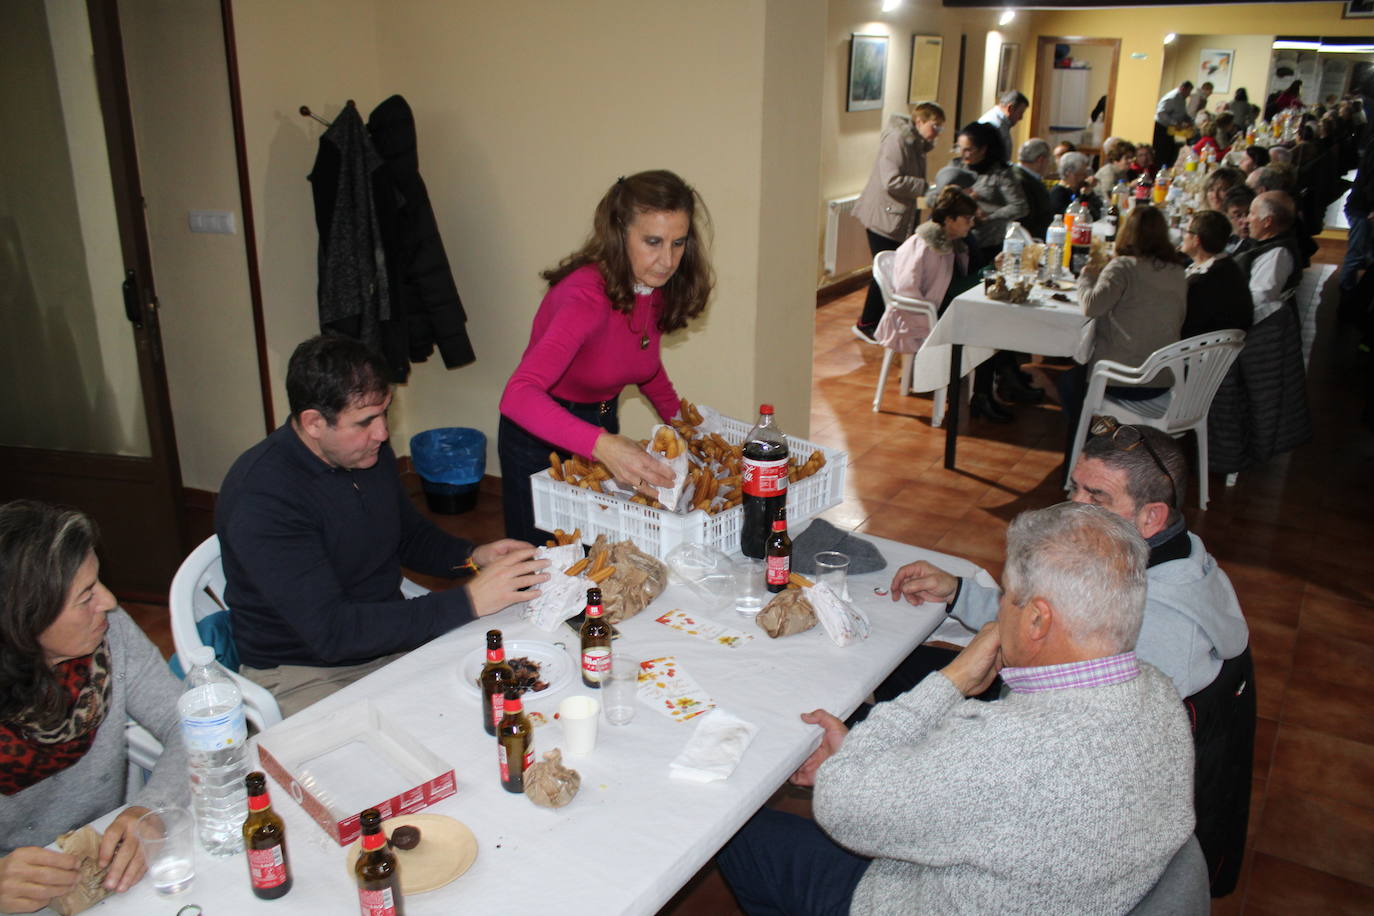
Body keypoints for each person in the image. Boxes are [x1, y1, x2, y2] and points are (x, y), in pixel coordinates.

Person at [718, 502, 1197, 915]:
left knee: (739, 837)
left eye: (1008, 595)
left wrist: (952, 680)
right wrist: (862, 763)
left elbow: (843, 808)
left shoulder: (1012, 749)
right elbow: (961, 792)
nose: (1000, 608)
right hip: (1073, 889)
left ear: (1037, 619)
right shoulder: (1160, 695)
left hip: (916, 900)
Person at [877, 428, 1252, 895]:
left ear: (1151, 516)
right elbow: (1047, 617)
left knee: (914, 692)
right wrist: (959, 592)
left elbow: (1057, 755)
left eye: (1096, 496)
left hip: (1073, 807)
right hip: (1061, 736)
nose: (1074, 507)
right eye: (1074, 487)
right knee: (901, 668)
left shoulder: (1160, 637)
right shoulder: (1168, 555)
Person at [219, 334, 550, 717]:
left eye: (384, 413)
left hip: (386, 639)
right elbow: (333, 633)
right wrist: (470, 600)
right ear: (313, 423)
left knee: (506, 698)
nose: (382, 433)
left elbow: (406, 535)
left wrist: (473, 558)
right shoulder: (263, 498)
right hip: (305, 670)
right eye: (365, 421)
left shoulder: (363, 453)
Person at [498, 169, 714, 542]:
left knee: (599, 555)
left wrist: (688, 431)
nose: (667, 260)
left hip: (600, 423)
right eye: (653, 241)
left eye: (678, 243)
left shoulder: (653, 286)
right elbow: (517, 395)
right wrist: (602, 444)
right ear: (619, 233)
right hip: (541, 438)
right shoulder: (583, 297)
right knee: (544, 563)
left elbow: (645, 367)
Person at [0, 501, 188, 913]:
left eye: (97, 582)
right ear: (23, 621)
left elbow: (187, 722)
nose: (108, 600)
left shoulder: (107, 635)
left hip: (110, 872)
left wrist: (150, 809)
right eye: (85, 595)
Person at [1057, 205, 1188, 453]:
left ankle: (1094, 450)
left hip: (1124, 379)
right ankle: (1113, 438)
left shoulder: (1123, 267)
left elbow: (1091, 307)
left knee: (1070, 383)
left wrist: (1086, 277)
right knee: (1073, 382)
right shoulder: (1177, 271)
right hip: (1163, 378)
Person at [1210, 191, 1313, 473]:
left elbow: (1260, 299)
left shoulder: (1278, 253)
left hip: (1258, 338)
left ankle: (1224, 450)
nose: (1246, 219)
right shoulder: (1265, 244)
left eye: (1252, 214)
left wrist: (1221, 321)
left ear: (1268, 221)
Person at [852, 102, 947, 340]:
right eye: (935, 126)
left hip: (896, 215)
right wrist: (926, 188)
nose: (937, 132)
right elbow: (891, 181)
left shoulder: (917, 145)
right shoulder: (897, 140)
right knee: (885, 269)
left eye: (941, 128)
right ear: (919, 121)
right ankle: (867, 323)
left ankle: (880, 321)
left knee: (894, 267)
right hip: (883, 214)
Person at [877, 187, 978, 360]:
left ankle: (960, 381)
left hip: (938, 312)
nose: (972, 224)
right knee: (981, 331)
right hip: (918, 319)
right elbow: (906, 289)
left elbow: (953, 287)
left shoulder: (955, 245)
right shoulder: (921, 245)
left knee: (986, 327)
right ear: (948, 219)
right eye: (967, 219)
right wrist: (930, 321)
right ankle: (953, 381)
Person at [956, 121, 1028, 262]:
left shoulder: (1001, 173)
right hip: (958, 239)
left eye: (968, 150)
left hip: (988, 241)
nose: (963, 155)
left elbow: (1020, 206)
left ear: (983, 149)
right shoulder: (957, 167)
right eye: (960, 148)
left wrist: (988, 214)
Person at [1180, 210, 1255, 339]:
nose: (1183, 236)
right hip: (1224, 349)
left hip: (1196, 350)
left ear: (1196, 240)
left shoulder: (1201, 282)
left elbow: (1181, 323)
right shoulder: (1229, 266)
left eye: (1186, 231)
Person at [1011, 138, 1053, 239]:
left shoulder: (1011, 174)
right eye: (1048, 160)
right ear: (1041, 160)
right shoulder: (1026, 182)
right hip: (1029, 242)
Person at [977, 90, 1028, 165]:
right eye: (1020, 113)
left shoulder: (1000, 122)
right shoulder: (994, 125)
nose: (1021, 118)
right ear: (1010, 108)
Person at [1048, 150, 1102, 220]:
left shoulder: (1076, 190)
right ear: (1070, 174)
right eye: (1082, 174)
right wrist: (1084, 197)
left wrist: (1089, 194)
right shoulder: (1058, 194)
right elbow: (1076, 217)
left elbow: (1098, 213)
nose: (1085, 177)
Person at [1155, 80, 1195, 167]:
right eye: (1188, 91)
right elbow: (1161, 113)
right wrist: (1175, 123)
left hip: (1170, 129)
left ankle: (1167, 167)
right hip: (1161, 128)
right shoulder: (1172, 97)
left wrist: (1189, 120)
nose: (1189, 94)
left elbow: (1182, 113)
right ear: (1183, 89)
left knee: (1170, 151)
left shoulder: (1182, 98)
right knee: (1162, 152)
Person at [1223, 185, 1256, 254]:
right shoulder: (1221, 242)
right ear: (1227, 215)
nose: (1245, 220)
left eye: (1249, 213)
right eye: (1238, 215)